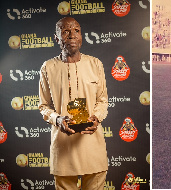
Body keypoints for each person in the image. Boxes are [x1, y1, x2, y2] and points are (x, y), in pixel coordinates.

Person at [38, 17, 108, 189]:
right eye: (65, 32)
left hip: (92, 145)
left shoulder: (95, 64)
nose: (72, 36)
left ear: (82, 36)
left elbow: (102, 100)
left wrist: (96, 118)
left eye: (76, 30)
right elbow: (43, 106)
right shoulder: (48, 67)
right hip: (63, 147)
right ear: (56, 38)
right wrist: (58, 119)